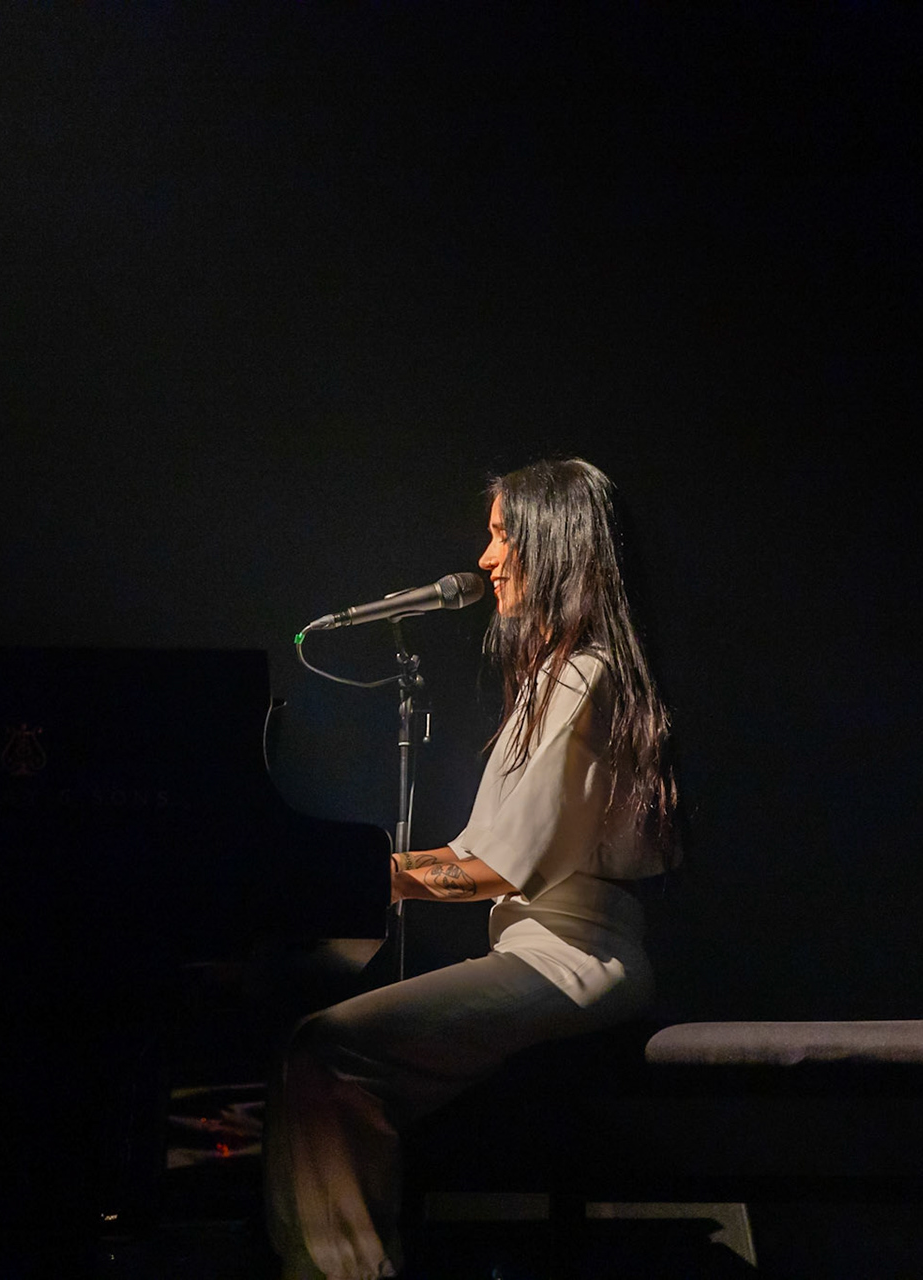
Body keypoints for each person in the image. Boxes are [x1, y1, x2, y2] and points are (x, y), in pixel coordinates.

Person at [266, 457, 680, 1280]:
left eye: (502, 537)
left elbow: (491, 869)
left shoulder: (582, 676)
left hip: (575, 958)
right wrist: (349, 871)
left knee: (327, 1049)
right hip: (539, 949)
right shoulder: (552, 678)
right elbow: (469, 855)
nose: (485, 559)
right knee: (327, 1057)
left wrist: (342, 876)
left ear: (557, 544)